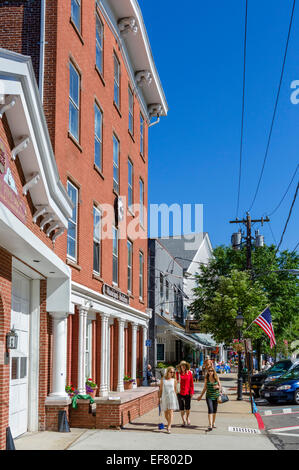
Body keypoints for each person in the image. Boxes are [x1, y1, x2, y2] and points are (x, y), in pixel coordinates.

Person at [197, 365, 222, 431]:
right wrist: (200, 396)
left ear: (213, 371)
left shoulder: (216, 378)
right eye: (209, 371)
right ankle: (210, 424)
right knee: (210, 409)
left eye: (211, 371)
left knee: (214, 411)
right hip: (209, 396)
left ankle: (213, 423)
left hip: (216, 396)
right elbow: (205, 388)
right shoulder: (206, 379)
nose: (210, 372)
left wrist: (218, 387)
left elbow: (220, 386)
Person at [158, 366, 179, 433]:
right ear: (168, 372)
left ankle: (169, 426)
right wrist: (159, 398)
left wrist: (176, 399)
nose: (172, 373)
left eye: (173, 372)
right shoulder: (163, 379)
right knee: (166, 414)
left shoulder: (174, 380)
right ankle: (169, 423)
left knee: (171, 412)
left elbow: (175, 390)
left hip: (172, 397)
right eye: (171, 372)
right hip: (164, 397)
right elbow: (160, 389)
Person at [176, 360, 194, 426]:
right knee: (181, 407)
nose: (183, 367)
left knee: (188, 407)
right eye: (181, 366)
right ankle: (183, 420)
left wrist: (192, 392)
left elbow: (191, 383)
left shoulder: (189, 373)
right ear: (180, 367)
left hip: (187, 392)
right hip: (179, 392)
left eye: (184, 365)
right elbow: (174, 382)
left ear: (186, 366)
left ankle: (187, 417)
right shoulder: (177, 374)